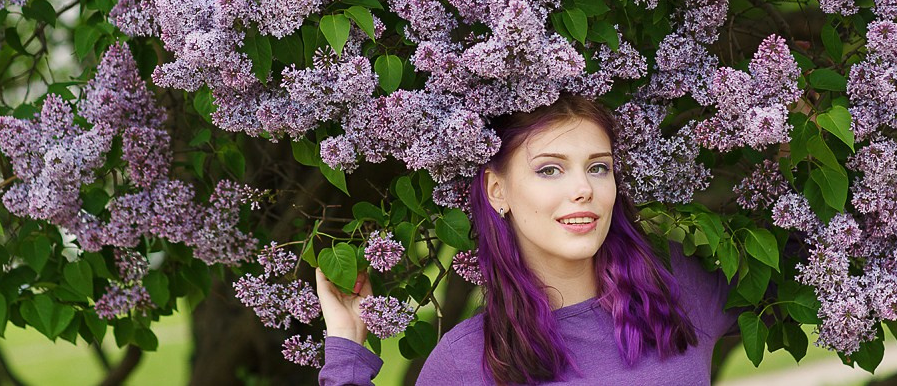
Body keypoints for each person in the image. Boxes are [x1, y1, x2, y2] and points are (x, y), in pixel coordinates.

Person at [315, 93, 737, 385]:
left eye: (598, 167)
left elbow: (799, 271)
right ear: (498, 191)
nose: (583, 189)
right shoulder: (469, 360)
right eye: (550, 169)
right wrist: (347, 351)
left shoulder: (678, 290)